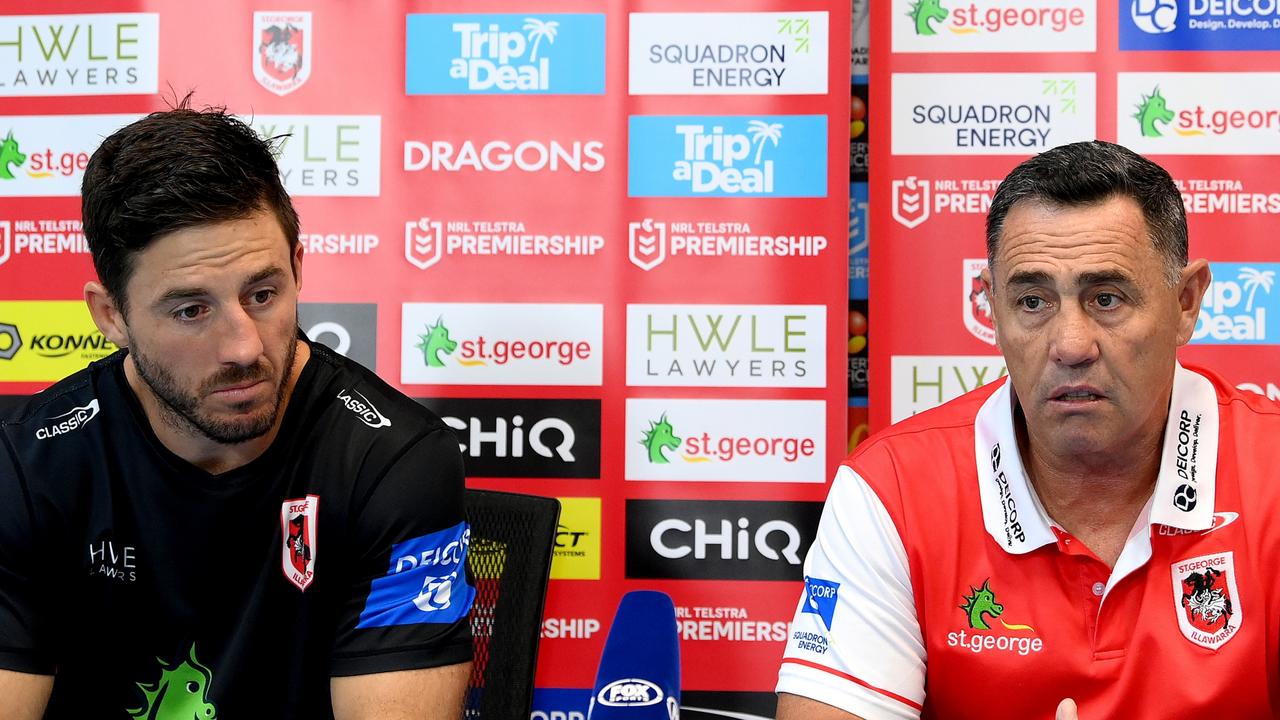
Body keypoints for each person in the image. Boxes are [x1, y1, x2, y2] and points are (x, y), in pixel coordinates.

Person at [0, 102, 475, 719]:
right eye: (191, 310)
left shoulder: (392, 459)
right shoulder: (29, 466)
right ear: (111, 315)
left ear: (298, 267)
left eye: (263, 293)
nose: (246, 346)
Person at [776, 141, 1280, 718]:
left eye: (1107, 299)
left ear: (1186, 302)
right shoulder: (894, 489)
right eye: (1033, 301)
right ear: (991, 307)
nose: (1070, 345)